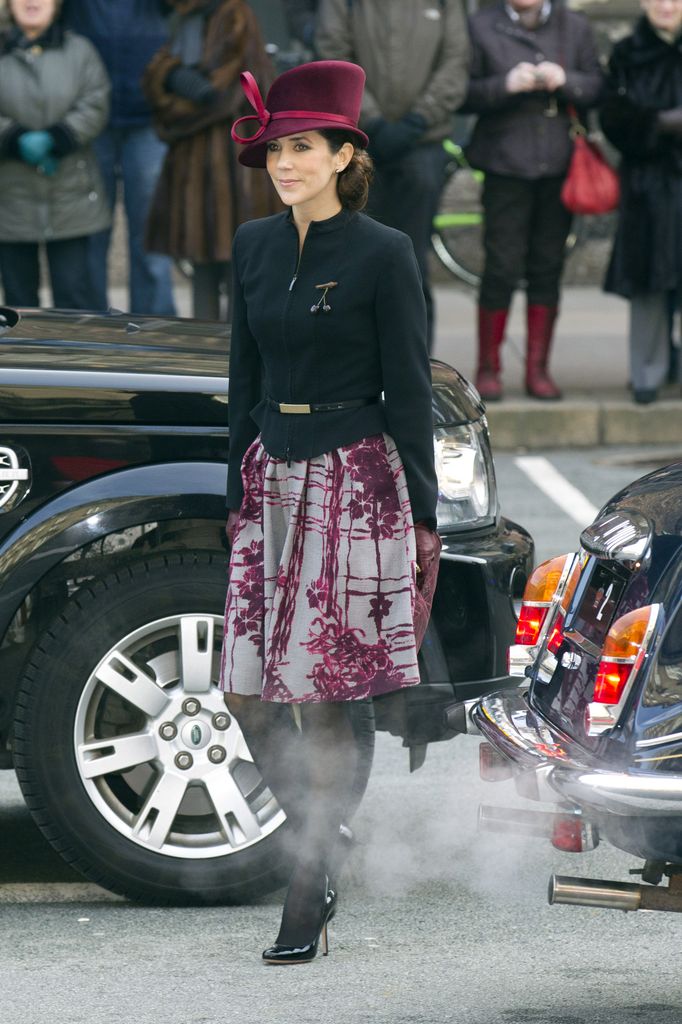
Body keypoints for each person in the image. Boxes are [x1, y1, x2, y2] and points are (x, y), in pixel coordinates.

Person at [221, 59, 441, 964]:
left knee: (316, 696)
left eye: (304, 147)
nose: (285, 162)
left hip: (354, 483)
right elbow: (244, 375)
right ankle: (323, 835)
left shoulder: (385, 252)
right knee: (244, 692)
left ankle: (305, 881)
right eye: (277, 149)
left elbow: (412, 390)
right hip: (270, 477)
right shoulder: (252, 244)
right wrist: (232, 488)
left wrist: (422, 519)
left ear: (346, 154)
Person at [462, 0, 603, 401]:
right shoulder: (480, 25)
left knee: (548, 266)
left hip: (561, 165)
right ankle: (488, 367)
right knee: (501, 266)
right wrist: (505, 84)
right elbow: (462, 92)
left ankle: (538, 369)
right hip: (505, 164)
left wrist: (566, 79)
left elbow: (597, 87)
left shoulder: (574, 25)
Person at [315, 0, 470, 351]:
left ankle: (413, 366)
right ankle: (353, 365)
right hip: (359, 142)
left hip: (423, 142)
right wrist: (371, 121)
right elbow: (333, 52)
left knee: (411, 262)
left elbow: (456, 61)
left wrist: (418, 120)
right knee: (352, 262)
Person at [142, 0, 280, 320]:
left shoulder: (235, 13)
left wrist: (177, 103)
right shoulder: (182, 18)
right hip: (193, 163)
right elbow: (154, 76)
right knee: (202, 269)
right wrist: (172, 77)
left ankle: (234, 358)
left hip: (234, 158)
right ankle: (203, 356)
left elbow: (228, 91)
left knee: (238, 267)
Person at [61, 0, 176, 316]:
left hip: (148, 117)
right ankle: (92, 327)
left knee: (151, 233)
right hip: (88, 116)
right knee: (90, 233)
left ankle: (155, 329)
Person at [0, 0, 110, 309]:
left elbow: (96, 102)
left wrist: (56, 139)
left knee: (73, 298)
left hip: (70, 194)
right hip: (10, 198)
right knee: (18, 302)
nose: (32, 2)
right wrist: (15, 138)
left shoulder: (80, 51)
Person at [600, 0, 682, 404]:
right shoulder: (627, 53)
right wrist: (660, 124)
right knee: (650, 280)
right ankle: (646, 372)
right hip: (648, 186)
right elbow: (613, 116)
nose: (666, 6)